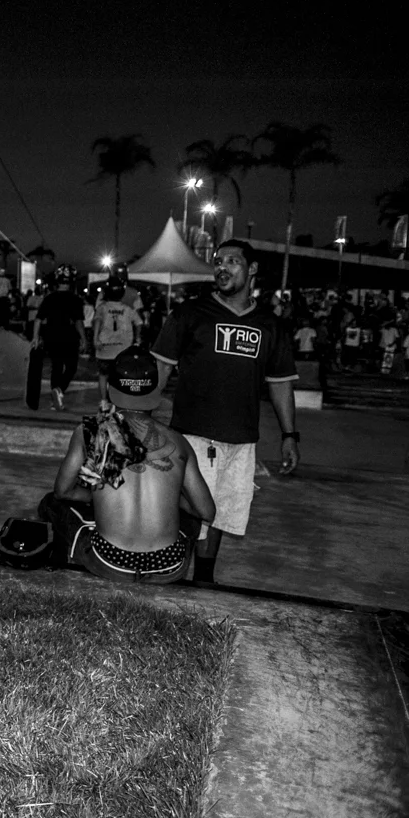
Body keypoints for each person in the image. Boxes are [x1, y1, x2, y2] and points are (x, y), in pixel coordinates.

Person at [152, 239, 300, 584]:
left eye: (233, 261)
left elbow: (280, 383)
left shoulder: (270, 325)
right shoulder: (190, 314)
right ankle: (169, 575)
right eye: (218, 261)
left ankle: (204, 581)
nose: (222, 267)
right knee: (189, 511)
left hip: (241, 438)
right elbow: (160, 369)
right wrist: (129, 417)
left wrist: (290, 435)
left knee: (220, 513)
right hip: (193, 434)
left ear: (252, 270)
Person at [40, 347, 216, 584]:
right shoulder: (178, 442)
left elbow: (63, 491)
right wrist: (168, 499)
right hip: (168, 564)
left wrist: (98, 495)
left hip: (110, 561)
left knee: (52, 503)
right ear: (155, 391)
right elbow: (206, 511)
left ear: (111, 390)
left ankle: (59, 569)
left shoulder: (94, 432)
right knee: (191, 518)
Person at [31, 264, 83, 411]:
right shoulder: (75, 299)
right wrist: (84, 339)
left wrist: (35, 337)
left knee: (56, 367)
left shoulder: (49, 298)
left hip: (51, 336)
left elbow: (38, 319)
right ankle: (59, 390)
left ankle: (55, 399)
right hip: (70, 337)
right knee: (71, 368)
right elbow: (78, 321)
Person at [92, 279, 143, 407]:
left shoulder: (102, 308)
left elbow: (97, 322)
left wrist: (95, 338)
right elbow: (139, 322)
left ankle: (104, 401)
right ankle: (117, 402)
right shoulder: (128, 309)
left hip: (105, 347)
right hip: (123, 348)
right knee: (120, 376)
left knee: (103, 375)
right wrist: (137, 338)